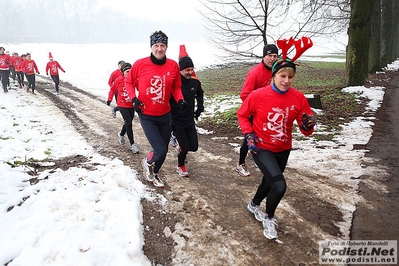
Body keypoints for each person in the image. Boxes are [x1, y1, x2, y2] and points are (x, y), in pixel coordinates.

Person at [237, 36, 315, 240]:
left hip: (283, 148)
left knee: (270, 180)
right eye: (282, 76)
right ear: (273, 76)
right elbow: (242, 114)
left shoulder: (298, 98)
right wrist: (249, 134)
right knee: (279, 185)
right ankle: (268, 218)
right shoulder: (258, 95)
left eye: (290, 77)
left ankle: (253, 204)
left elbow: (306, 126)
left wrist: (308, 126)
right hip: (261, 147)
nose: (286, 81)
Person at [125, 30, 185, 188]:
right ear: (151, 47)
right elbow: (128, 82)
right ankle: (147, 162)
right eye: (156, 45)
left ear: (166, 47)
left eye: (163, 45)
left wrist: (180, 100)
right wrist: (133, 98)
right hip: (147, 115)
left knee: (164, 150)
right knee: (159, 149)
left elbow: (177, 87)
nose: (159, 49)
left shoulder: (173, 65)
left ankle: (154, 173)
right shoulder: (140, 64)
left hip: (165, 115)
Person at [236, 44, 278, 177]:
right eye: (269, 56)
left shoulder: (276, 71)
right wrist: (257, 108)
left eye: (275, 56)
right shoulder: (255, 73)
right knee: (249, 138)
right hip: (253, 112)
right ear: (264, 56)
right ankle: (240, 164)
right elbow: (244, 94)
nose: (272, 59)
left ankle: (256, 155)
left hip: (269, 112)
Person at [170, 56, 204, 177]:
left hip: (189, 120)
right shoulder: (174, 82)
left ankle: (181, 150)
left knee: (193, 147)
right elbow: (166, 101)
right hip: (176, 120)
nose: (190, 72)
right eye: (187, 70)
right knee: (185, 147)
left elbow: (200, 94)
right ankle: (180, 166)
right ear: (180, 70)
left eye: (191, 69)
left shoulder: (195, 81)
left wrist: (200, 107)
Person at [107, 62, 139, 154]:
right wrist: (109, 99)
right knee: (128, 122)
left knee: (128, 122)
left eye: (131, 71)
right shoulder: (118, 80)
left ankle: (121, 134)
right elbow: (112, 89)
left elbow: (141, 88)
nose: (129, 74)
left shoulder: (134, 80)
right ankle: (132, 144)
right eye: (127, 72)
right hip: (122, 105)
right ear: (123, 72)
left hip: (131, 104)